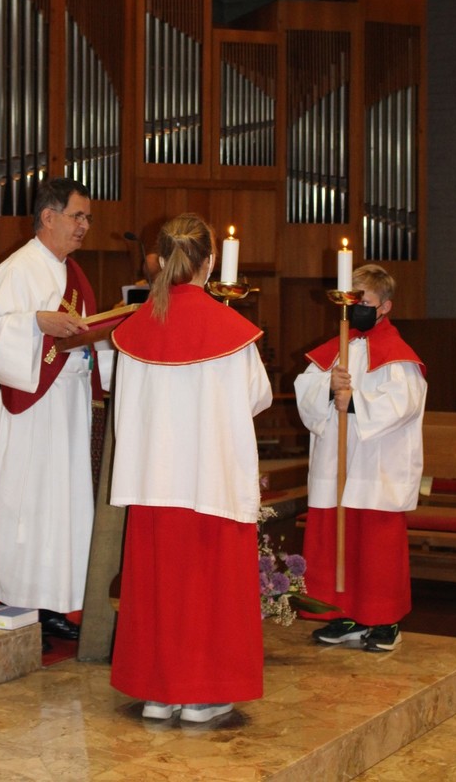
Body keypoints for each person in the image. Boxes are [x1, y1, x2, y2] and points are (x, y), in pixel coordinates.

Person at [109, 212, 273, 724]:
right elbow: (257, 397)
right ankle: (203, 695)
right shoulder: (232, 331)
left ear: (159, 260)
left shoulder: (134, 330)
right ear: (211, 262)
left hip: (153, 481)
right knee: (208, 589)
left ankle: (159, 694)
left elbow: (122, 403)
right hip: (210, 479)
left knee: (159, 587)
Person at [0, 178, 112, 646]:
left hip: (70, 405)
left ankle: (51, 604)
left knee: (62, 506)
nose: (85, 225)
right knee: (31, 504)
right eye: (77, 216)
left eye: (88, 218)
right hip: (35, 407)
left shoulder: (74, 273)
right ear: (48, 217)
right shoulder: (18, 269)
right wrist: (35, 322)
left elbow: (84, 335)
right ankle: (23, 603)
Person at [294, 264, 427, 653]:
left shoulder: (398, 355)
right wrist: (327, 386)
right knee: (337, 543)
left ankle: (385, 621)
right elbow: (305, 391)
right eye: (351, 300)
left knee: (376, 549)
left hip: (375, 468)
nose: (356, 308)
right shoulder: (337, 346)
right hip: (335, 465)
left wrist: (353, 402)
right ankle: (345, 615)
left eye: (364, 301)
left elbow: (405, 403)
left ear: (384, 306)